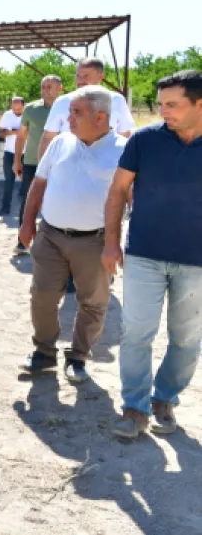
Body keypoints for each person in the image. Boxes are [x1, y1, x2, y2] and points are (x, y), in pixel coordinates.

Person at [104, 70, 202, 439]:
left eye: (173, 105)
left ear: (199, 104)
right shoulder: (144, 141)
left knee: (187, 339)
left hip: (197, 260)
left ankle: (165, 399)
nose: (164, 112)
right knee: (136, 332)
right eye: (161, 104)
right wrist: (111, 241)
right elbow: (117, 191)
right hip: (144, 252)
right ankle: (134, 408)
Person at [17, 86, 126, 384]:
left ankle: (78, 357)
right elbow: (38, 184)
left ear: (101, 117)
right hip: (50, 234)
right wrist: (27, 223)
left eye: (77, 113)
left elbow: (132, 199)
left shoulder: (123, 150)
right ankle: (44, 352)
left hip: (95, 241)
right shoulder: (61, 143)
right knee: (42, 295)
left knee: (92, 302)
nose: (69, 119)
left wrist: (117, 243)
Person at [38, 56, 135, 160]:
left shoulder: (117, 100)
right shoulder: (62, 102)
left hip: (106, 169)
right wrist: (42, 172)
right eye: (78, 76)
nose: (80, 81)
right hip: (69, 167)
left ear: (100, 75)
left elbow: (125, 135)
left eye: (86, 76)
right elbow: (48, 137)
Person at [12, 75, 63, 255]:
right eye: (43, 86)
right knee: (27, 201)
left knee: (59, 202)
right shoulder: (31, 109)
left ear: (60, 88)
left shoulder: (69, 107)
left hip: (62, 165)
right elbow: (21, 136)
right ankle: (22, 242)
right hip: (33, 163)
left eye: (49, 86)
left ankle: (56, 244)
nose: (45, 90)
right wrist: (17, 160)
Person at [0, 96, 25, 215]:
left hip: (26, 153)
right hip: (9, 153)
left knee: (28, 182)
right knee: (9, 181)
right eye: (14, 109)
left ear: (24, 106)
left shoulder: (29, 114)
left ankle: (27, 211)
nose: (17, 112)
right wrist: (13, 132)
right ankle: (5, 208)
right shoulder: (7, 115)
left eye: (19, 109)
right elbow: (0, 134)